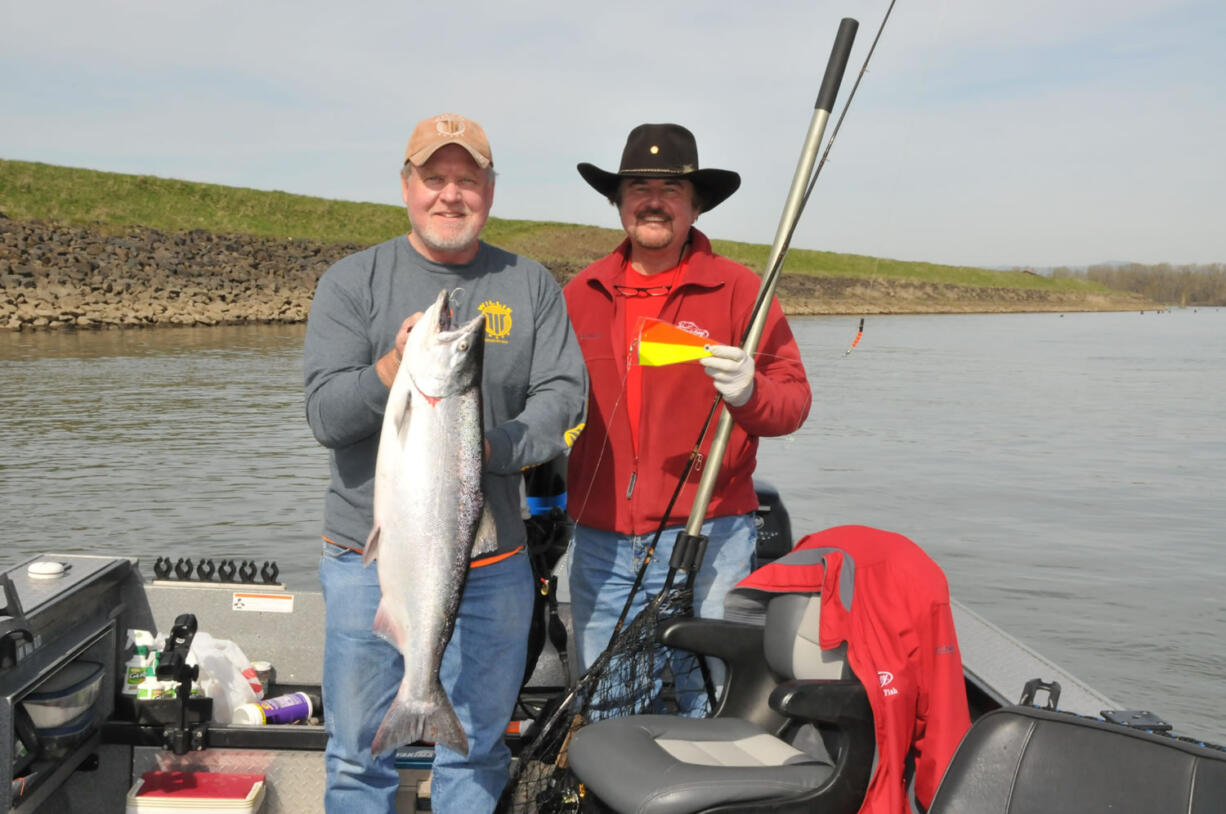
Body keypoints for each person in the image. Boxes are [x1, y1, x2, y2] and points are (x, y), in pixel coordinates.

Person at [303, 112, 587, 814]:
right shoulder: (352, 282)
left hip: (496, 567)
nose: (450, 195)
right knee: (355, 755)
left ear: (490, 191)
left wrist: (498, 449)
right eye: (435, 179)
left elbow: (565, 396)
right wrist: (396, 364)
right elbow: (327, 416)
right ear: (406, 187)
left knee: (479, 748)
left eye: (467, 180)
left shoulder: (531, 285)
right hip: (367, 565)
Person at [564, 122, 812, 713]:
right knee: (606, 705)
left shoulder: (739, 290)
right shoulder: (578, 293)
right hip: (600, 542)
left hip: (712, 536)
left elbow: (793, 403)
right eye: (639, 187)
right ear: (618, 202)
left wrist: (751, 392)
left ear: (696, 205)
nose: (653, 201)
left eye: (671, 189)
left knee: (716, 701)